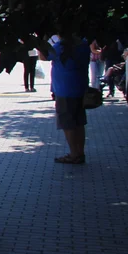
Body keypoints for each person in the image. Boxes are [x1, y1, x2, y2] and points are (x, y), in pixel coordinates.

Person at [39, 33, 91, 164]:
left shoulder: (62, 46)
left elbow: (44, 56)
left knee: (68, 124)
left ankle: (74, 154)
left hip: (65, 89)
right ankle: (80, 152)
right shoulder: (83, 43)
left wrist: (39, 43)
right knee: (79, 122)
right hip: (80, 86)